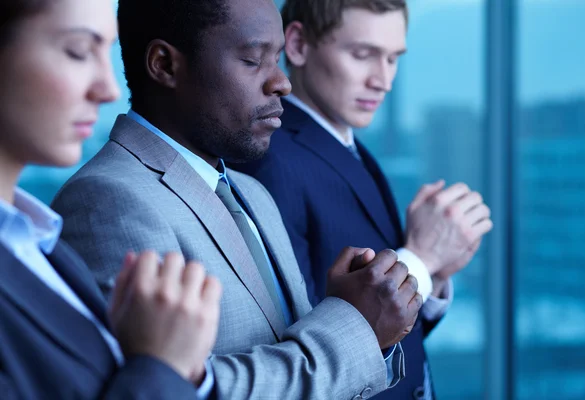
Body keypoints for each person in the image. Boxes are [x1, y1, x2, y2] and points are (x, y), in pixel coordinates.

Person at [51, 0, 423, 398]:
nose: (282, 82)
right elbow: (170, 391)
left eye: (278, 58)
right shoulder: (105, 202)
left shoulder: (254, 195)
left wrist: (367, 329)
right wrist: (355, 326)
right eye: (252, 59)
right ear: (164, 64)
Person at [234, 1, 493, 399]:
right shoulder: (272, 161)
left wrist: (433, 276)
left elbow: (387, 332)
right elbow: (305, 344)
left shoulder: (353, 149)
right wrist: (422, 258)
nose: (384, 80)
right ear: (298, 45)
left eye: (393, 59)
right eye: (363, 54)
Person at [0, 0, 222, 398]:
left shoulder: (41, 242)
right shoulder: (90, 208)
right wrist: (162, 368)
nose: (109, 89)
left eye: (107, 52)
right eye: (78, 51)